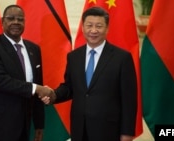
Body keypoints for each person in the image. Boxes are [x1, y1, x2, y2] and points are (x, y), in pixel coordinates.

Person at [42, 6, 137, 141]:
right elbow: (69, 87)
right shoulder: (74, 57)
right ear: (83, 28)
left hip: (109, 131)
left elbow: (129, 100)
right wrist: (53, 94)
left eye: (99, 26)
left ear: (107, 28)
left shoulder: (122, 58)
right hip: (80, 129)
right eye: (89, 25)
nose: (93, 30)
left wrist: (127, 133)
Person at [0, 5, 53, 141]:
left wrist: (39, 125)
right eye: (11, 18)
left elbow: (38, 86)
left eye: (20, 19)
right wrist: (36, 88)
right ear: (2, 21)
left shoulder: (34, 49)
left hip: (23, 126)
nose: (16, 22)